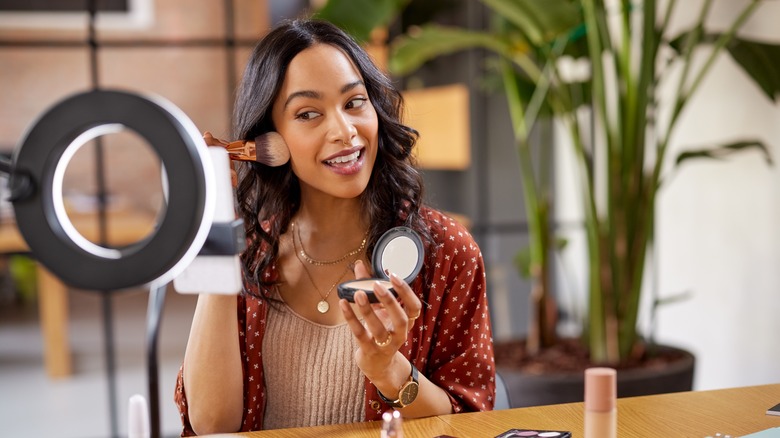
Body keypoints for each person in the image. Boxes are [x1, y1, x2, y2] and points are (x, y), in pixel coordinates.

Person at [174, 18, 495, 435]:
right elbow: (212, 425)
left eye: (354, 102)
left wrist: (389, 371)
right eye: (308, 113)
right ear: (269, 139)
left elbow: (472, 421)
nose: (344, 131)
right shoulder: (248, 251)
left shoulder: (446, 251)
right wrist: (220, 237)